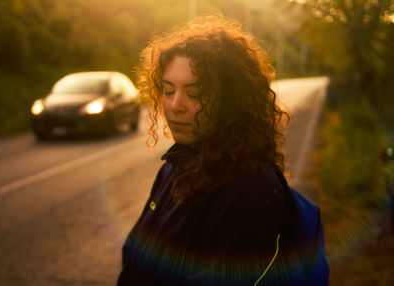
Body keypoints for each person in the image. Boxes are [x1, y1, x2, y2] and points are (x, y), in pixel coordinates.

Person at [117, 16, 329, 286]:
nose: (175, 105)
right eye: (168, 90)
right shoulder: (173, 166)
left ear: (230, 101)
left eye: (195, 94)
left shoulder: (250, 189)